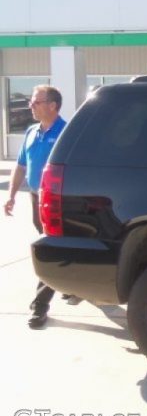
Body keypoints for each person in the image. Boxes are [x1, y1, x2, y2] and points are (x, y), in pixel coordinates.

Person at [3, 85, 68, 329]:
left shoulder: (66, 132)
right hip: (34, 199)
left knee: (48, 248)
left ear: (52, 105)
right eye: (32, 102)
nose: (31, 106)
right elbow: (20, 166)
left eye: (36, 102)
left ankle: (40, 306)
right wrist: (11, 195)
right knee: (57, 246)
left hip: (57, 202)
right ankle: (72, 286)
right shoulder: (31, 131)